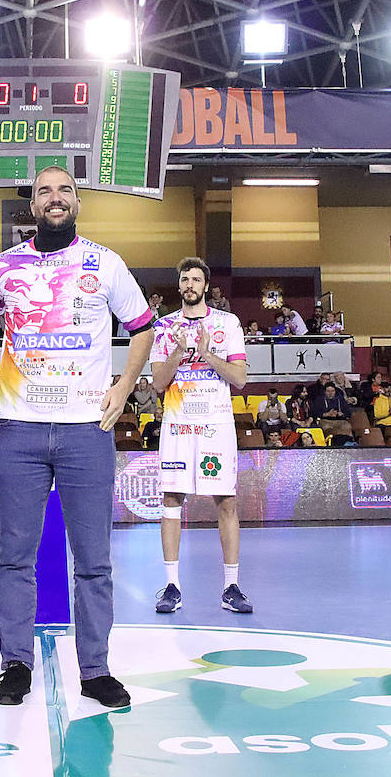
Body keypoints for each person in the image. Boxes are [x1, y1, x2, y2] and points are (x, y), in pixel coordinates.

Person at [0, 165, 153, 710]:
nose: (55, 197)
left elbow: (143, 328)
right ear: (32, 205)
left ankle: (94, 670)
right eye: (44, 190)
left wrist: (124, 386)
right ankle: (15, 665)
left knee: (93, 559)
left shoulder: (105, 262)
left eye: (65, 189)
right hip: (18, 429)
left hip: (86, 431)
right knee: (14, 557)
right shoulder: (5, 265)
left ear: (76, 202)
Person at [149, 257, 251, 615]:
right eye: (184, 280)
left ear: (206, 286)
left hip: (216, 427)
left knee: (226, 502)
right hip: (178, 426)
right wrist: (179, 350)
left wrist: (206, 353)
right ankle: (172, 586)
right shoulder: (163, 327)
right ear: (179, 287)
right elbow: (159, 384)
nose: (190, 284)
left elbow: (239, 379)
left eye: (196, 279)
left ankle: (231, 586)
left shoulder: (228, 323)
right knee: (171, 500)